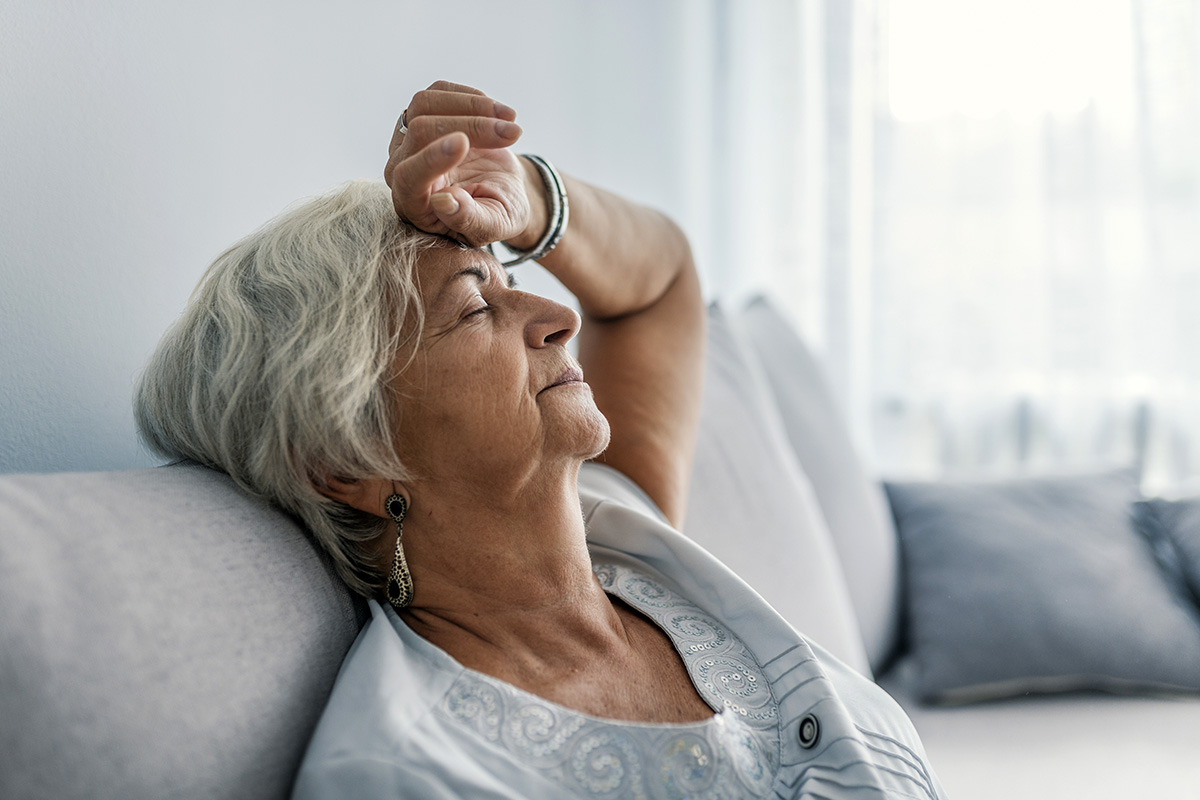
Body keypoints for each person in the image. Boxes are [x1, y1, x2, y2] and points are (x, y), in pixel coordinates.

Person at [135, 81, 946, 799]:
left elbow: (657, 282)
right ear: (346, 459)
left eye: (513, 283)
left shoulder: (627, 531)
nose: (563, 319)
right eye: (475, 306)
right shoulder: (415, 773)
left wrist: (525, 199)